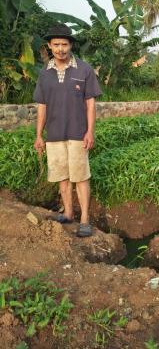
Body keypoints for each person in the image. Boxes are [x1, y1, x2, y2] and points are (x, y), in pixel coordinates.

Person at [33, 24, 102, 237]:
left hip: (77, 133)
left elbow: (90, 104)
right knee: (62, 176)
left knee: (80, 177)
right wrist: (38, 135)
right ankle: (69, 213)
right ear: (49, 46)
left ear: (71, 45)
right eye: (56, 45)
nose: (60, 49)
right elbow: (42, 107)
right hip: (54, 135)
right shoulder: (44, 74)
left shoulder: (84, 69)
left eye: (64, 44)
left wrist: (90, 131)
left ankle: (84, 220)